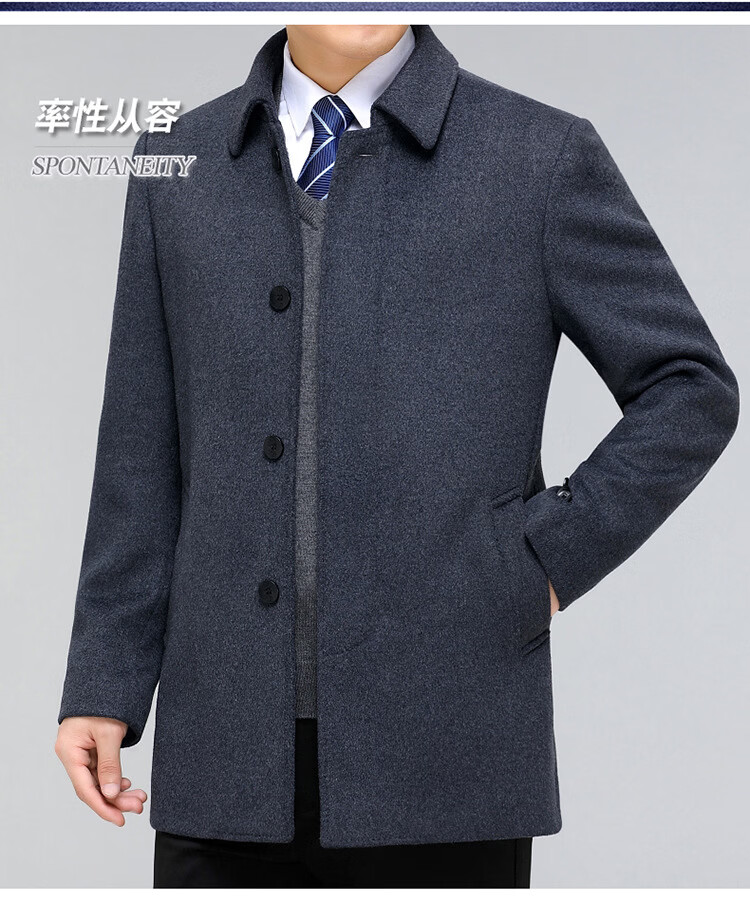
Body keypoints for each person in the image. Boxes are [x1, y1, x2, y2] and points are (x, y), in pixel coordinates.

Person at [54, 24, 740, 889]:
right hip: (225, 749)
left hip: (448, 747)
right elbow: (139, 453)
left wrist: (538, 564)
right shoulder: (177, 162)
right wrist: (104, 681)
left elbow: (690, 387)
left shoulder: (538, 156)